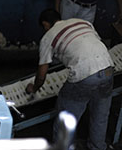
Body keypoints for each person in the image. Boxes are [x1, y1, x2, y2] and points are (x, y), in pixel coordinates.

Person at [26, 9, 114, 150]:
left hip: (84, 75)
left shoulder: (48, 37)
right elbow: (94, 45)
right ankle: (97, 147)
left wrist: (34, 88)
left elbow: (42, 74)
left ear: (45, 24)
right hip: (108, 69)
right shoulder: (82, 22)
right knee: (100, 116)